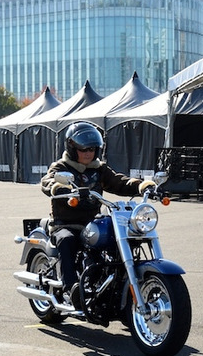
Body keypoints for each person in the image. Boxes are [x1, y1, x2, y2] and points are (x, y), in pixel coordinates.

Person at [41, 122, 156, 298]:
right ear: (72, 148)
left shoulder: (99, 169)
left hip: (91, 223)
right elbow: (47, 181)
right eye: (83, 149)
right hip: (65, 223)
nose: (88, 153)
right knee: (67, 240)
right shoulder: (61, 167)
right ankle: (71, 288)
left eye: (92, 149)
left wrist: (142, 186)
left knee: (115, 238)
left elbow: (119, 182)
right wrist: (58, 188)